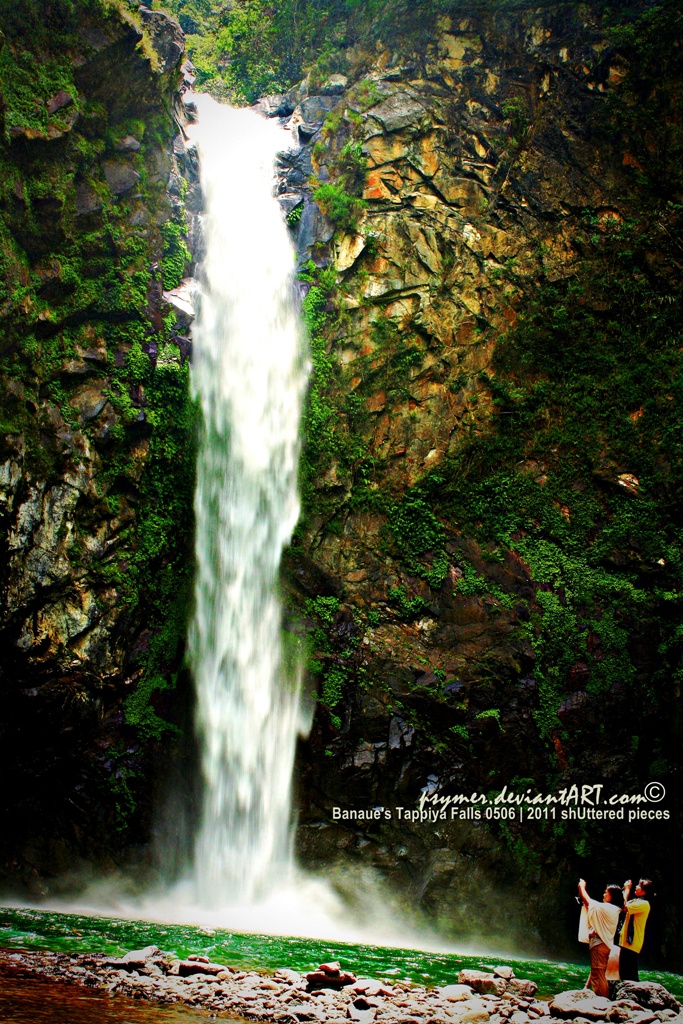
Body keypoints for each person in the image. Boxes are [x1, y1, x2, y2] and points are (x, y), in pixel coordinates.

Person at [578, 878, 624, 998]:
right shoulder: (614, 909)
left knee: (598, 975)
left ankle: (602, 1003)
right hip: (602, 945)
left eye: (606, 892)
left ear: (612, 896)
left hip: (599, 945)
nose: (603, 894)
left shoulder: (609, 908)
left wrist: (582, 887)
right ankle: (602, 1001)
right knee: (598, 974)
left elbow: (588, 902)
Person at [618, 879, 655, 981]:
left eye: (639, 885)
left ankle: (633, 995)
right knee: (624, 971)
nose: (636, 886)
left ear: (644, 892)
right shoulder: (636, 901)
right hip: (627, 942)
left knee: (629, 974)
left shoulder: (644, 904)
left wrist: (627, 889)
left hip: (632, 942)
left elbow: (624, 907)